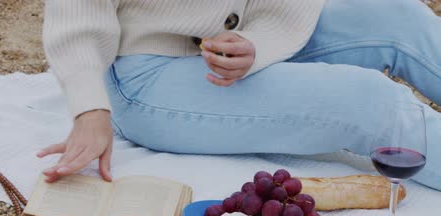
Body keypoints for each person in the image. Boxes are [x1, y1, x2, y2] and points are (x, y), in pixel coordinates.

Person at [38, 0, 441, 190]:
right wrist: (89, 110)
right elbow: (76, 14)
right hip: (147, 74)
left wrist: (257, 43)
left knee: (401, 17)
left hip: (241, 41)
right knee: (370, 102)